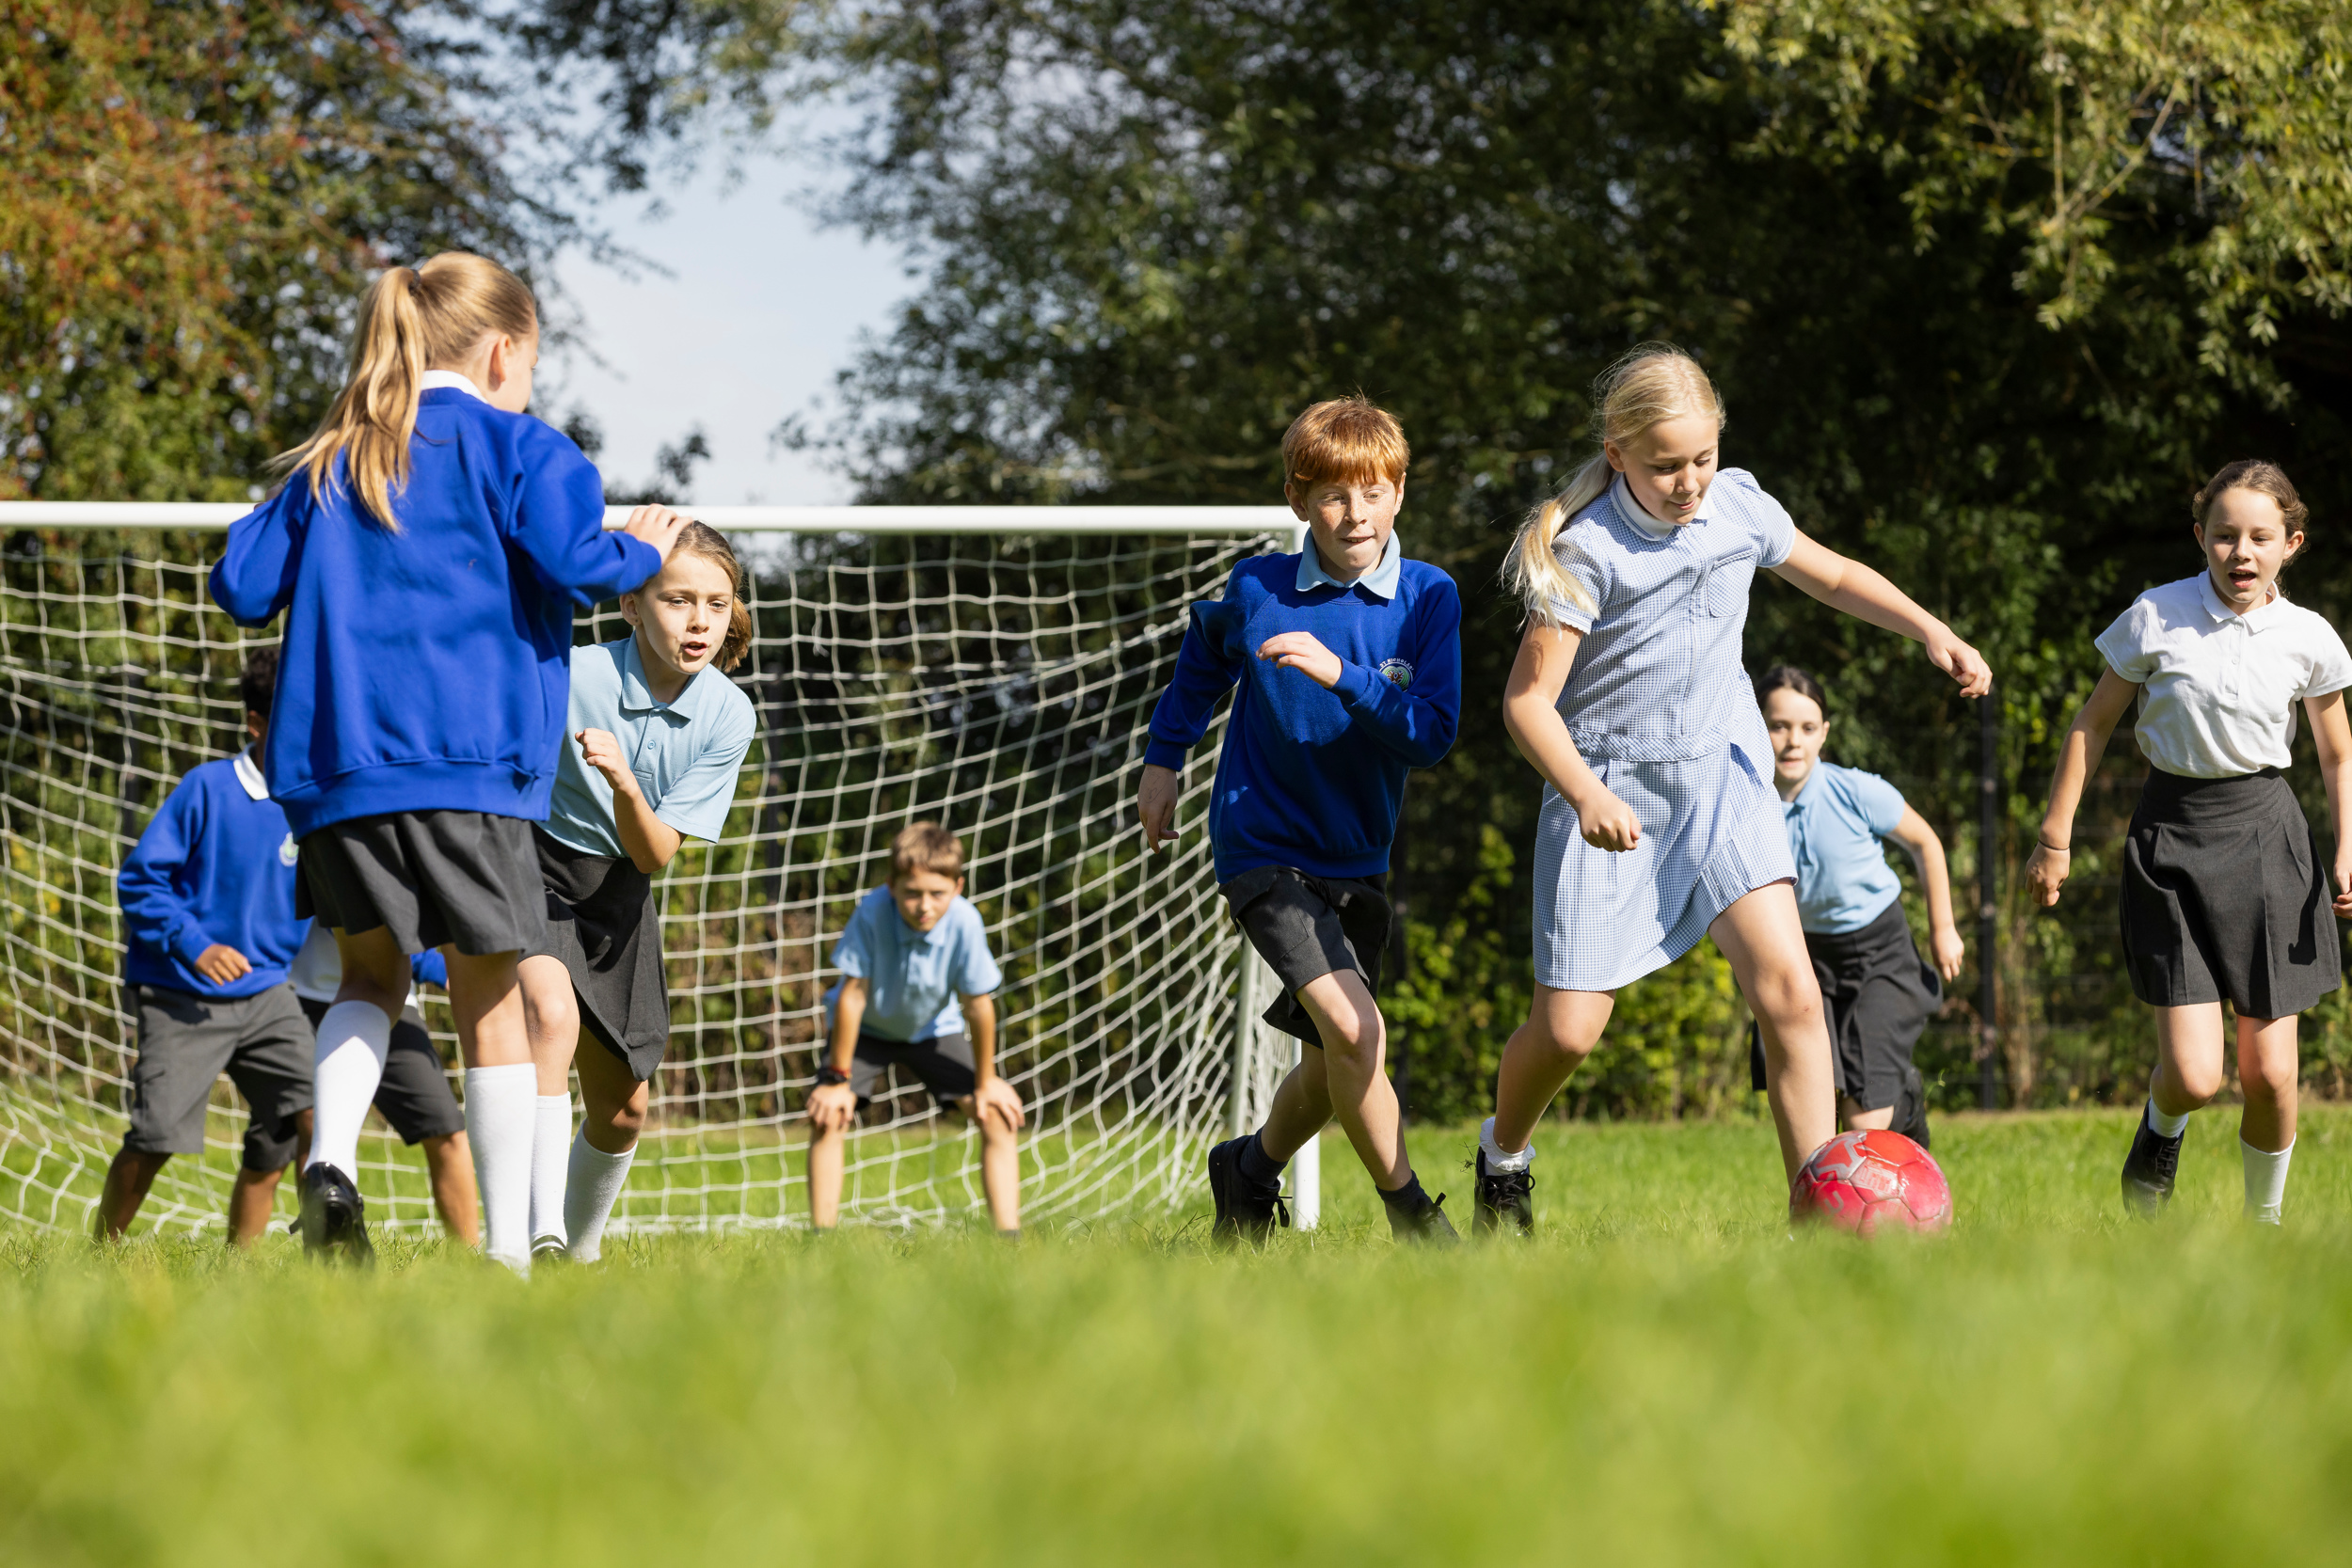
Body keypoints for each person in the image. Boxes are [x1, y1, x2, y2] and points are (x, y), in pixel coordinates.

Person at [209, 251, 685, 1270]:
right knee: (490, 1003)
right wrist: (643, 547)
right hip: (467, 771)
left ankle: (330, 1158)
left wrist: (310, 476)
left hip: (334, 779)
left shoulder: (336, 457)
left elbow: (240, 585)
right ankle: (511, 1257)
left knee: (368, 978)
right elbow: (575, 559)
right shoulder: (524, 449)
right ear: (506, 351)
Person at [1475, 344, 1990, 1235]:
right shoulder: (1587, 553)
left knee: (1791, 994)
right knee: (1566, 1033)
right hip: (1612, 799)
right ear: (1618, 451)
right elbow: (1526, 705)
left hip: (1724, 783)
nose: (1689, 483)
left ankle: (1824, 1216)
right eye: (1668, 464)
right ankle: (1503, 1155)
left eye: (1703, 459)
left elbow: (1829, 573)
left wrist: (1928, 630)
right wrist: (1585, 792)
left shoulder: (1739, 505)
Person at [1137, 395, 1462, 1244]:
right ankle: (1414, 1220)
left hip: (1359, 855)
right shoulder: (1256, 586)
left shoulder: (1429, 597)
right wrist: (1163, 761)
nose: (1353, 513)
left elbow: (1429, 735)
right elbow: (1199, 670)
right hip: (1261, 843)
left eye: (1372, 491)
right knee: (1358, 1029)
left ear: (1400, 493)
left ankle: (1246, 1172)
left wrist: (1344, 676)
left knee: (1329, 1063)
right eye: (1331, 494)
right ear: (1296, 499)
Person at [2026, 460, 2352, 1224]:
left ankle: (2263, 1226)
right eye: (2226, 535)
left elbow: (2337, 753)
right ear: (2200, 536)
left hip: (2271, 841)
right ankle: (2159, 1130)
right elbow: (2094, 722)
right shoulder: (2155, 615)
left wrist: (2347, 845)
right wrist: (2055, 837)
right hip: (2171, 841)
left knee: (2271, 1072)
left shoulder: (2308, 637)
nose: (2242, 552)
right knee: (2198, 1073)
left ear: (2290, 544)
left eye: (2260, 537)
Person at [517, 523, 756, 1263]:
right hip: (532, 869)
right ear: (630, 604)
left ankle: (575, 1260)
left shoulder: (728, 712)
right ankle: (531, 1238)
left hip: (619, 890)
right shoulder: (573, 670)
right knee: (548, 1023)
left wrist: (624, 782)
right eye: (677, 598)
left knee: (624, 1111)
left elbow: (653, 853)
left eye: (716, 604)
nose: (698, 621)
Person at [99, 651, 313, 1246]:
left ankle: (326, 1249)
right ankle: (98, 1252)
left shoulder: (315, 803)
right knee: (157, 1136)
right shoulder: (207, 790)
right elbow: (140, 881)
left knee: (320, 1108)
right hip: (181, 993)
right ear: (255, 723)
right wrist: (195, 944)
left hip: (268, 991)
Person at [1748, 663, 1964, 1148]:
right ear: (1754, 725)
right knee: (1814, 1104)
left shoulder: (1856, 790)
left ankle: (1904, 1100)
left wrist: (1942, 928)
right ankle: (1822, 1210)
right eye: (1777, 726)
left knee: (1863, 1123)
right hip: (1802, 959)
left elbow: (1926, 843)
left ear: (1824, 734)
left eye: (1806, 728)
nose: (1792, 741)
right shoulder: (1745, 806)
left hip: (1880, 954)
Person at [805, 823, 1022, 1234]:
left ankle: (1008, 1239)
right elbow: (852, 996)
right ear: (891, 886)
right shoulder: (871, 911)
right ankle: (820, 1240)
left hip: (933, 1030)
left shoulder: (965, 922)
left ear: (957, 887)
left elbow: (977, 1005)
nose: (924, 905)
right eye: (912, 893)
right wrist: (836, 1079)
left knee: (995, 1113)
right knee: (829, 1115)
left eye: (937, 894)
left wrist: (988, 1080)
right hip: (865, 1030)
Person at [285, 925, 481, 1244]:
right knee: (307, 1129)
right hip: (299, 995)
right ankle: (323, 1246)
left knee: (446, 1129)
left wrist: (436, 964)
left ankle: (471, 1253)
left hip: (392, 998)